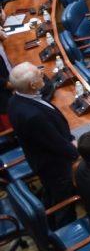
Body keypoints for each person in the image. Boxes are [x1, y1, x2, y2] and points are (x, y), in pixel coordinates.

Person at [8, 63, 77, 226]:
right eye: (39, 74)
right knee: (64, 201)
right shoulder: (33, 116)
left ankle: (49, 219)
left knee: (51, 192)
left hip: (40, 157)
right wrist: (78, 153)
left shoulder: (15, 99)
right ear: (32, 85)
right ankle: (64, 234)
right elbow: (56, 144)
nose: (42, 74)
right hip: (55, 165)